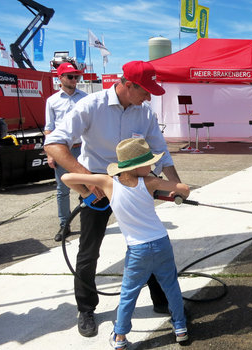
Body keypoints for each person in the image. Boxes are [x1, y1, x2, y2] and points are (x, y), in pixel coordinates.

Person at [45, 60, 181, 337]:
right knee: (89, 249)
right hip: (98, 182)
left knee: (149, 239)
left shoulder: (144, 113)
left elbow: (161, 152)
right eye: (145, 90)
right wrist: (86, 180)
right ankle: (86, 308)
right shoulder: (89, 106)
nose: (150, 97)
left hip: (133, 183)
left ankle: (161, 301)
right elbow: (54, 144)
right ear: (128, 85)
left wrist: (175, 185)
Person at [61, 138, 190, 348]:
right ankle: (181, 328)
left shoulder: (106, 182)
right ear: (137, 166)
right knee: (171, 287)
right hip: (161, 243)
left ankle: (120, 337)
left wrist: (86, 192)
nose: (151, 166)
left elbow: (66, 176)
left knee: (129, 293)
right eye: (148, 163)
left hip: (138, 249)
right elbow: (184, 188)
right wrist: (177, 192)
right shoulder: (151, 182)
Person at [44, 62, 87, 241]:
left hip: (82, 149)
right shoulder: (52, 101)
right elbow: (49, 128)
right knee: (63, 190)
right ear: (60, 78)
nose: (74, 79)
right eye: (70, 76)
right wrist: (50, 154)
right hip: (62, 151)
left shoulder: (85, 98)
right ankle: (64, 224)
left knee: (85, 187)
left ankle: (87, 222)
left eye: (76, 76)